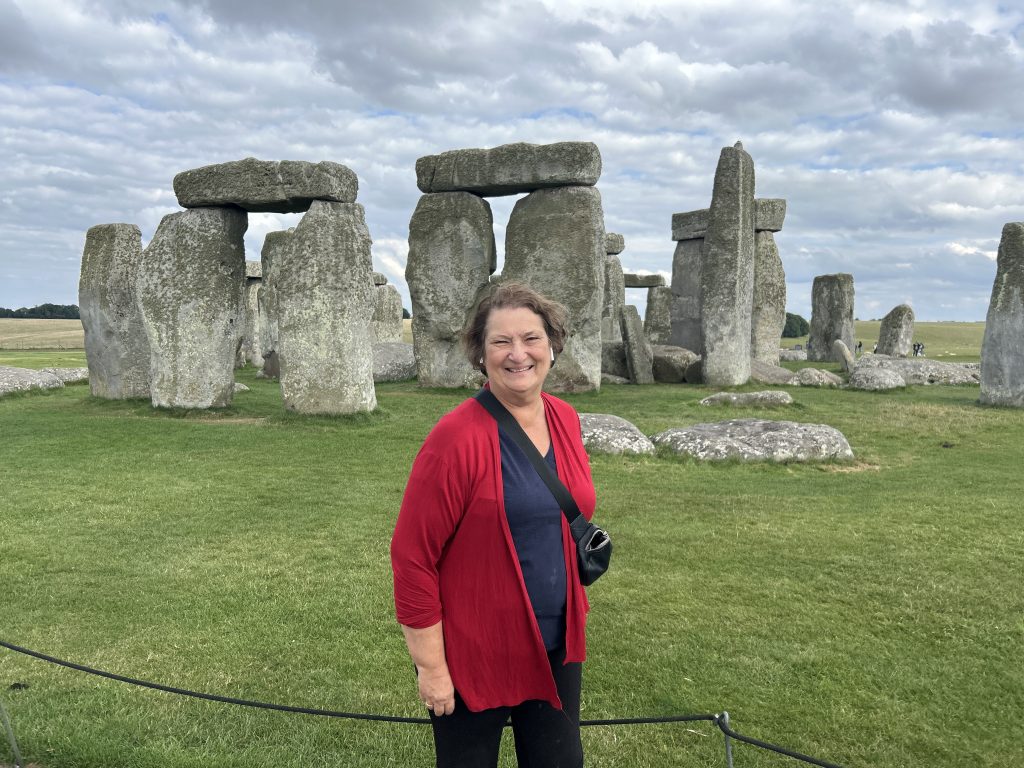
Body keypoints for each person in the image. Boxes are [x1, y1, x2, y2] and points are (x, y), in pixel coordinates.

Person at [391, 282, 595, 768]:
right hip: (475, 650)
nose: (517, 353)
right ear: (480, 355)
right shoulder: (455, 438)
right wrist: (431, 667)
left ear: (552, 345)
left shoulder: (564, 418)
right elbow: (412, 557)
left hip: (556, 642)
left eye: (531, 338)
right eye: (501, 342)